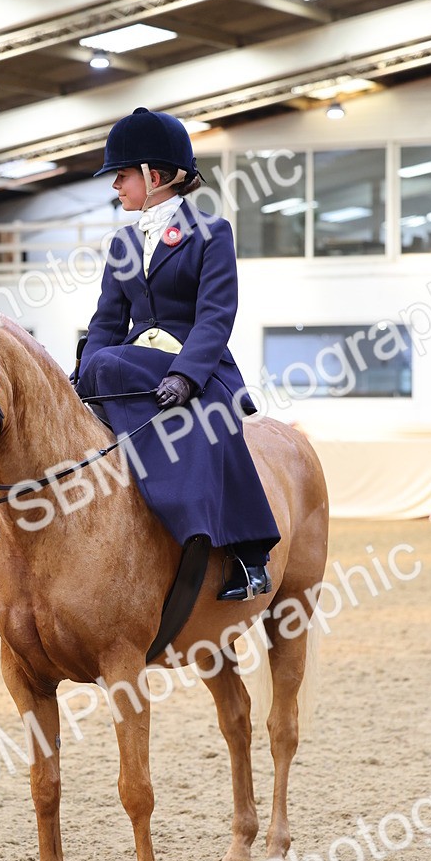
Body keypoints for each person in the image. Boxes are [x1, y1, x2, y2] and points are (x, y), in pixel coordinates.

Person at [76, 107, 280, 600]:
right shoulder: (123, 244)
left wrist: (187, 376)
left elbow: (215, 316)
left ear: (155, 176)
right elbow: (107, 322)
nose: (115, 185)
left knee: (214, 424)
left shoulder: (212, 233)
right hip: (131, 364)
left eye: (122, 175)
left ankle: (250, 556)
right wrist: (80, 381)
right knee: (99, 364)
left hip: (193, 365)